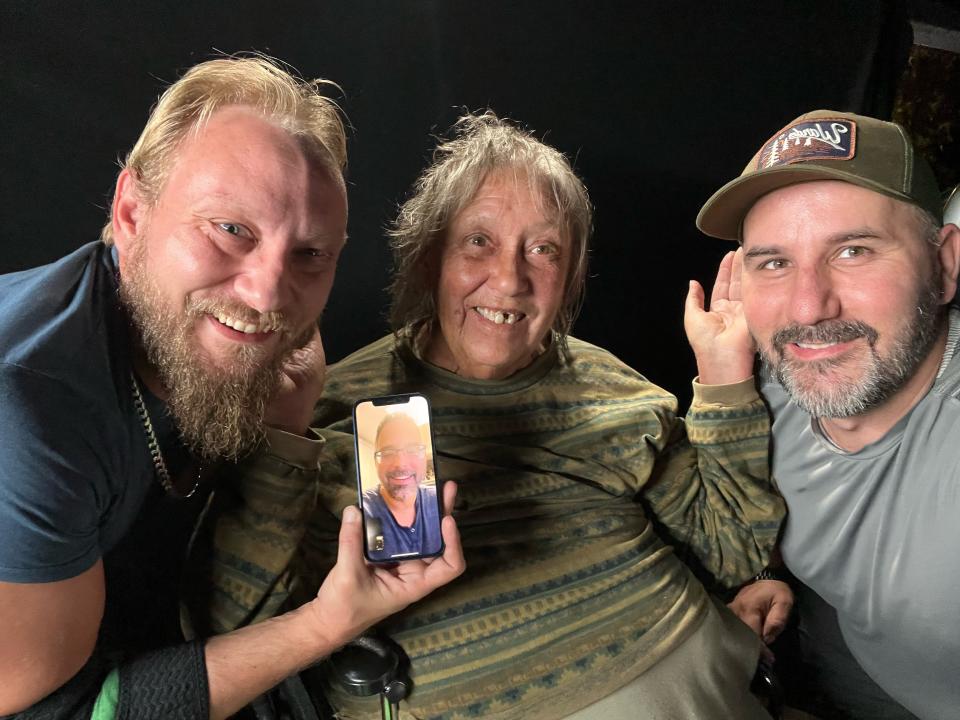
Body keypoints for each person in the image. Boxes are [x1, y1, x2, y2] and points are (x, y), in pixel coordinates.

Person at [203, 111, 787, 719]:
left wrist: (725, 378)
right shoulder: (333, 406)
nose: (509, 280)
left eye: (543, 250)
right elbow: (232, 637)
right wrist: (286, 430)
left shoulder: (612, 391)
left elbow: (734, 550)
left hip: (709, 684)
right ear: (430, 258)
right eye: (478, 242)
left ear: (570, 278)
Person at [0, 56, 464, 720]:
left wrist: (286, 428)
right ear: (131, 212)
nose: (268, 293)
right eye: (231, 230)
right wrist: (325, 624)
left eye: (309, 255)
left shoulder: (238, 354)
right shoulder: (29, 412)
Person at [696, 109, 960, 720]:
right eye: (773, 263)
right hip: (842, 655)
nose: (809, 307)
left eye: (853, 250)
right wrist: (770, 570)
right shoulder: (772, 384)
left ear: (944, 264)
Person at [362, 412, 441, 560]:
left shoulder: (440, 500)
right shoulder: (366, 512)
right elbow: (377, 554)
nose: (401, 463)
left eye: (412, 450)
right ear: (375, 462)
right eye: (387, 452)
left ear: (424, 457)